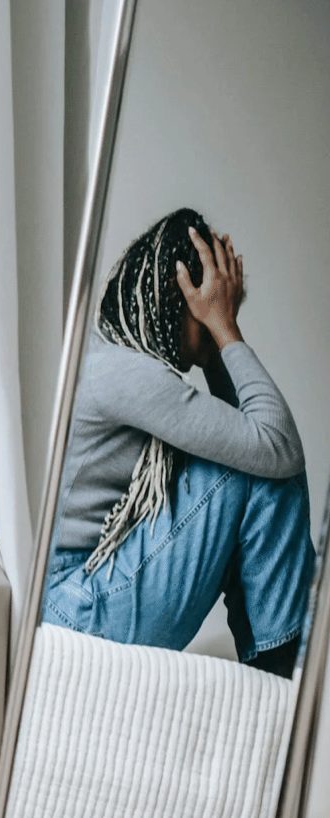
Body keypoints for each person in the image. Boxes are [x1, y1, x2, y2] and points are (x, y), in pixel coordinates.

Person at [43, 207, 313, 678]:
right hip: (75, 611)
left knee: (259, 461)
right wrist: (225, 329)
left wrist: (214, 346)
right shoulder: (129, 375)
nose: (220, 312)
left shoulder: (111, 353)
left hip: (72, 598)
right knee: (263, 468)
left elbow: (257, 437)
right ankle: (285, 666)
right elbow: (275, 445)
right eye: (213, 301)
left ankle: (281, 662)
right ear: (183, 297)